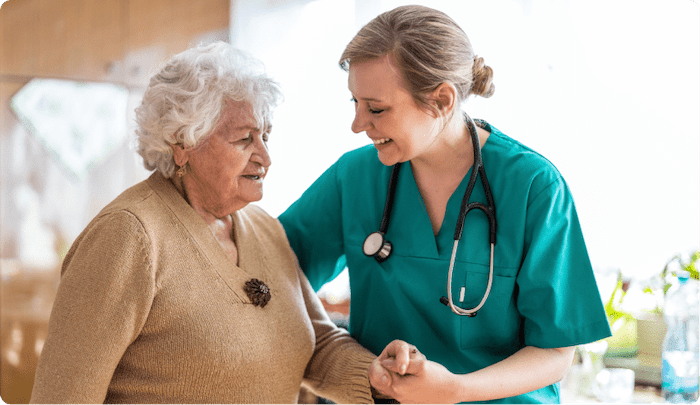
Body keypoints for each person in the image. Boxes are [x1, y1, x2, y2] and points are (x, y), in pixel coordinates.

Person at [279, 5, 612, 404]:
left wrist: (454, 390)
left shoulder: (532, 187)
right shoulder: (354, 178)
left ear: (441, 99)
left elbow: (556, 353)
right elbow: (272, 271)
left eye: (376, 108)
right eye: (355, 103)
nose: (357, 124)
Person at [29, 41, 379, 404]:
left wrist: (380, 378)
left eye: (266, 136)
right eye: (245, 139)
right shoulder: (128, 236)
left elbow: (317, 343)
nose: (265, 157)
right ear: (182, 144)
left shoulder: (264, 228)